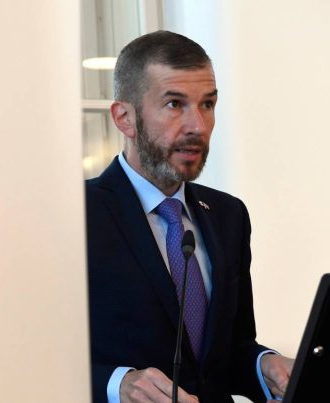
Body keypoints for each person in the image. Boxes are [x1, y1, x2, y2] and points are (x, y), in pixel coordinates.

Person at [86, 31, 294, 403]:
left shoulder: (229, 215)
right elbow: (33, 353)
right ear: (124, 118)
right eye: (174, 104)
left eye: (207, 104)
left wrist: (264, 364)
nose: (197, 125)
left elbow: (228, 352)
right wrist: (118, 384)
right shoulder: (75, 216)